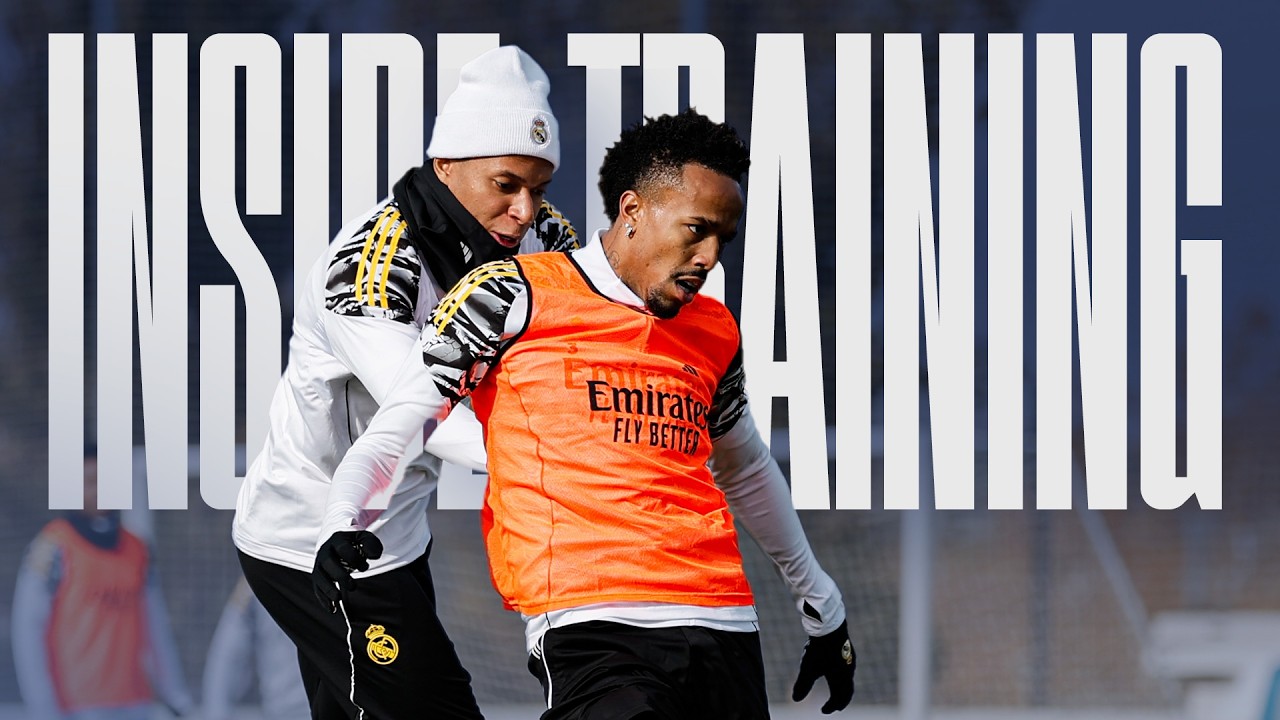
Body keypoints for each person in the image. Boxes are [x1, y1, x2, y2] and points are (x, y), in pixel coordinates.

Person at [316, 109, 856, 719]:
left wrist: (822, 603)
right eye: (695, 230)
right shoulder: (508, 294)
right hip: (591, 626)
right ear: (633, 211)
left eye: (722, 240)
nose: (708, 258)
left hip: (723, 621)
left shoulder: (713, 328)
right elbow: (400, 424)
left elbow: (746, 467)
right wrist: (342, 517)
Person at [231, 44, 577, 720]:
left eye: (538, 187)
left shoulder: (544, 239)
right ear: (446, 165)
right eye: (505, 184)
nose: (523, 208)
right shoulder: (366, 270)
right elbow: (426, 413)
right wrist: (574, 464)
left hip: (398, 534)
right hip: (315, 542)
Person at [11, 449, 194, 720]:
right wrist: (43, 708)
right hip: (78, 707)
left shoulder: (137, 549)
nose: (100, 490)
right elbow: (27, 632)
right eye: (90, 481)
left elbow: (155, 629)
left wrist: (176, 696)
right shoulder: (52, 548)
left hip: (136, 703)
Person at [202, 576, 309, 720]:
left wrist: (217, 712)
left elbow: (228, 653)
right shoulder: (253, 578)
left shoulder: (257, 573)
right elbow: (229, 652)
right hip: (293, 708)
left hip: (288, 708)